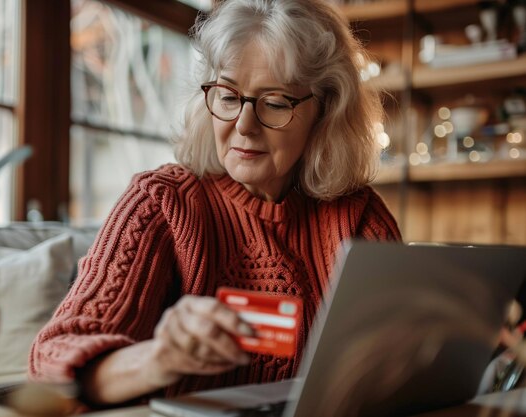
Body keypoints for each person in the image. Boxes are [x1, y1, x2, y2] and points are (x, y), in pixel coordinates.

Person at [29, 0, 401, 407]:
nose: (243, 125)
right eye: (227, 96)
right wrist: (158, 359)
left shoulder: (358, 215)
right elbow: (50, 364)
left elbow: (407, 355)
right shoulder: (160, 202)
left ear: (325, 111)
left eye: (275, 102)